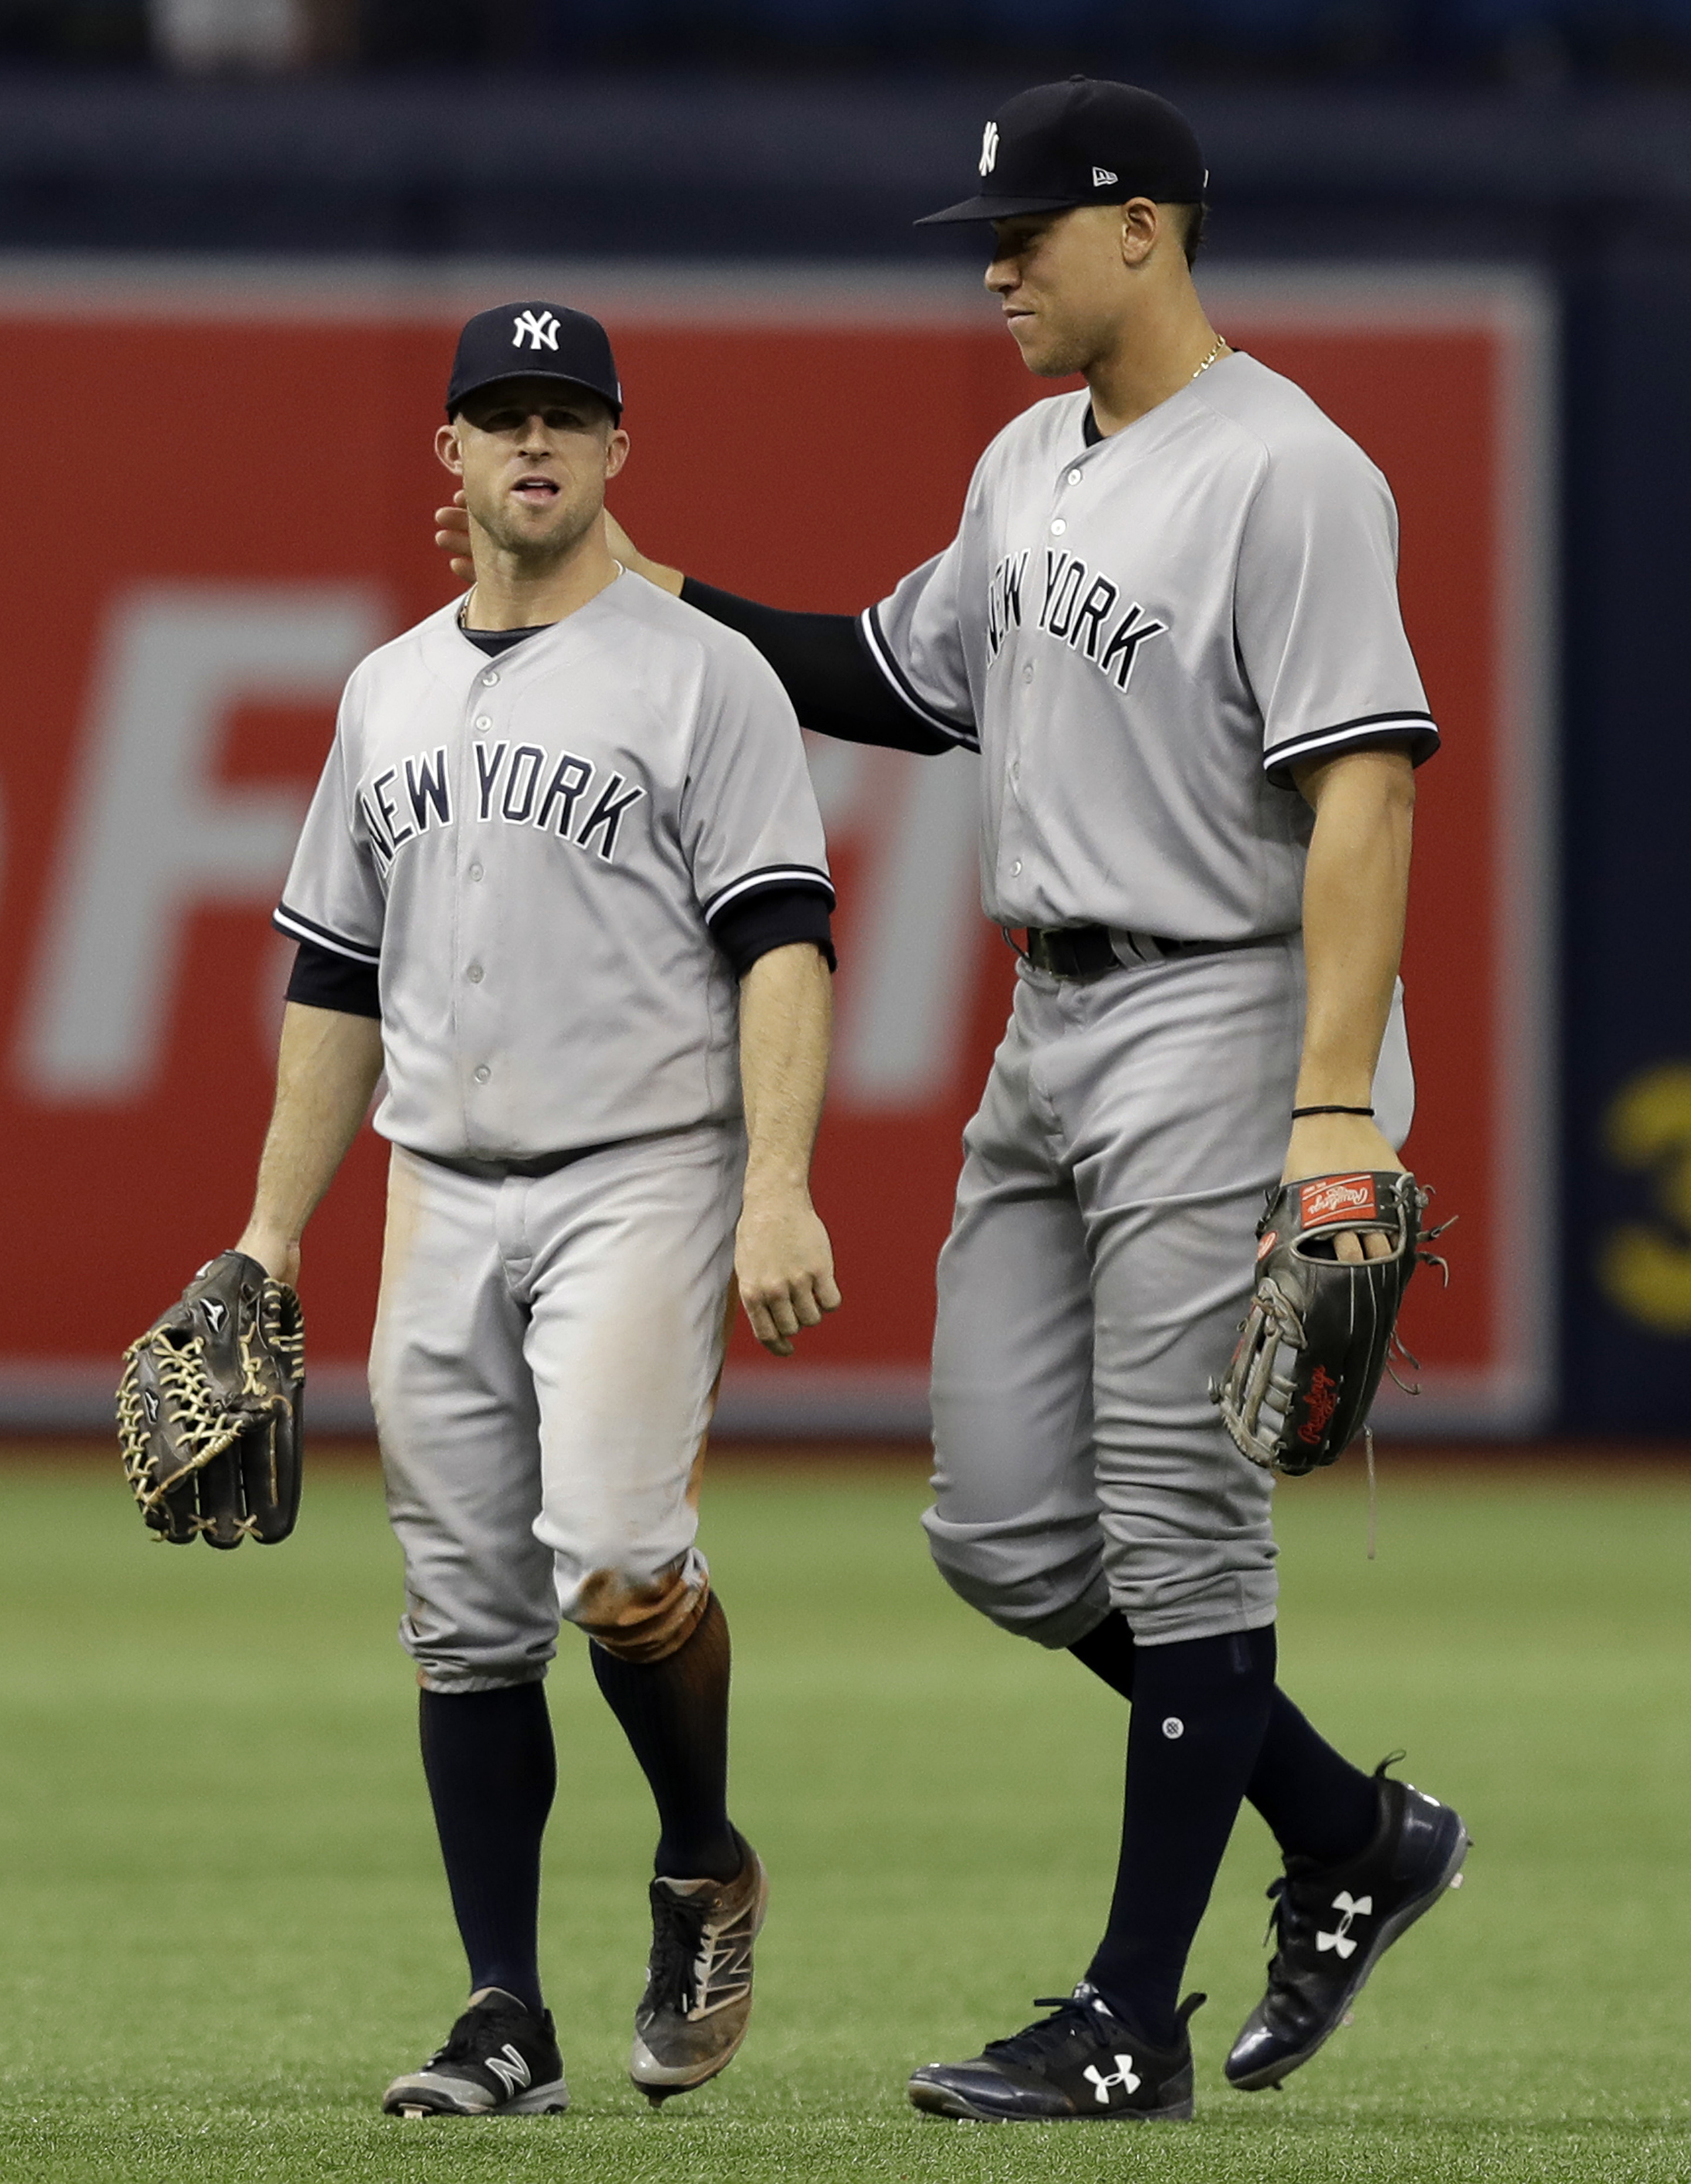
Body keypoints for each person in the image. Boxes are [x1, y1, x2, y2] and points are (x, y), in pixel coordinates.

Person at [438, 83, 1470, 2123]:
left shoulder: (1286, 472)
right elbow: (890, 681)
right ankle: (1352, 1832)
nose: (993, 269)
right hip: (1052, 1021)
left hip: (1229, 1011)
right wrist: (645, 594)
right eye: (985, 239)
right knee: (1005, 1532)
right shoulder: (1026, 464)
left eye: (1026, 234)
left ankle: (1127, 2020)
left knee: (1180, 1532)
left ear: (1144, 229)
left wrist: (1333, 1106)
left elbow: (1364, 786)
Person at [252, 300, 841, 2117]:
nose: (532, 443)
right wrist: (267, 1233)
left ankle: (702, 1861)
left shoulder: (700, 676)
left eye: (564, 417)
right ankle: (503, 2013)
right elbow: (334, 978)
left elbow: (784, 940)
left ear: (613, 451)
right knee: (461, 1614)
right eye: (500, 416)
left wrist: (776, 1183)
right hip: (438, 1180)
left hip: (640, 1171)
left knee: (612, 1556)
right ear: (448, 451)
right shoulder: (386, 689)